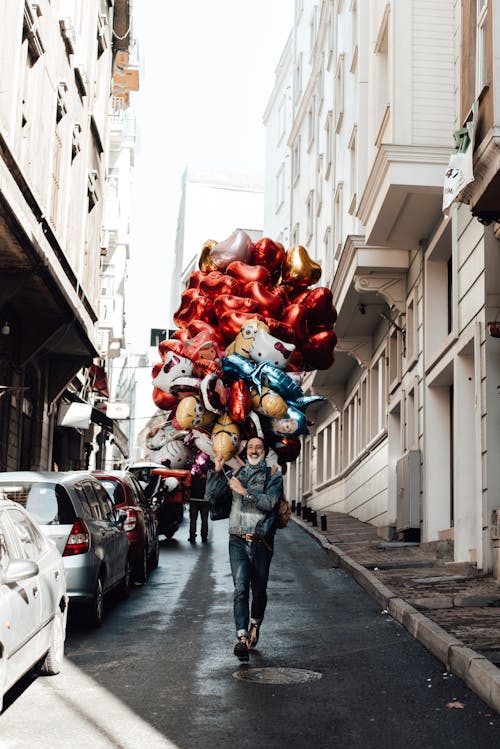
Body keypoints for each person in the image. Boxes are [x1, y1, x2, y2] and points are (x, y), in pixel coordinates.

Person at [205, 436, 283, 661]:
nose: (254, 450)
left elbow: (269, 502)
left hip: (261, 541)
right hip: (237, 540)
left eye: (259, 447)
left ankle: (255, 624)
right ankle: (241, 638)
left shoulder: (273, 475)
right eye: (250, 447)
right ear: (246, 450)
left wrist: (243, 491)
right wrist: (217, 471)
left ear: (265, 451)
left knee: (258, 589)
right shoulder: (237, 473)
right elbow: (212, 497)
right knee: (240, 588)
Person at [188, 472, 209, 543]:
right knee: (204, 519)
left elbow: (188, 486)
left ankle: (192, 536)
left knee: (193, 519)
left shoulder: (193, 479)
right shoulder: (207, 480)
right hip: (205, 501)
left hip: (193, 500)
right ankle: (204, 536)